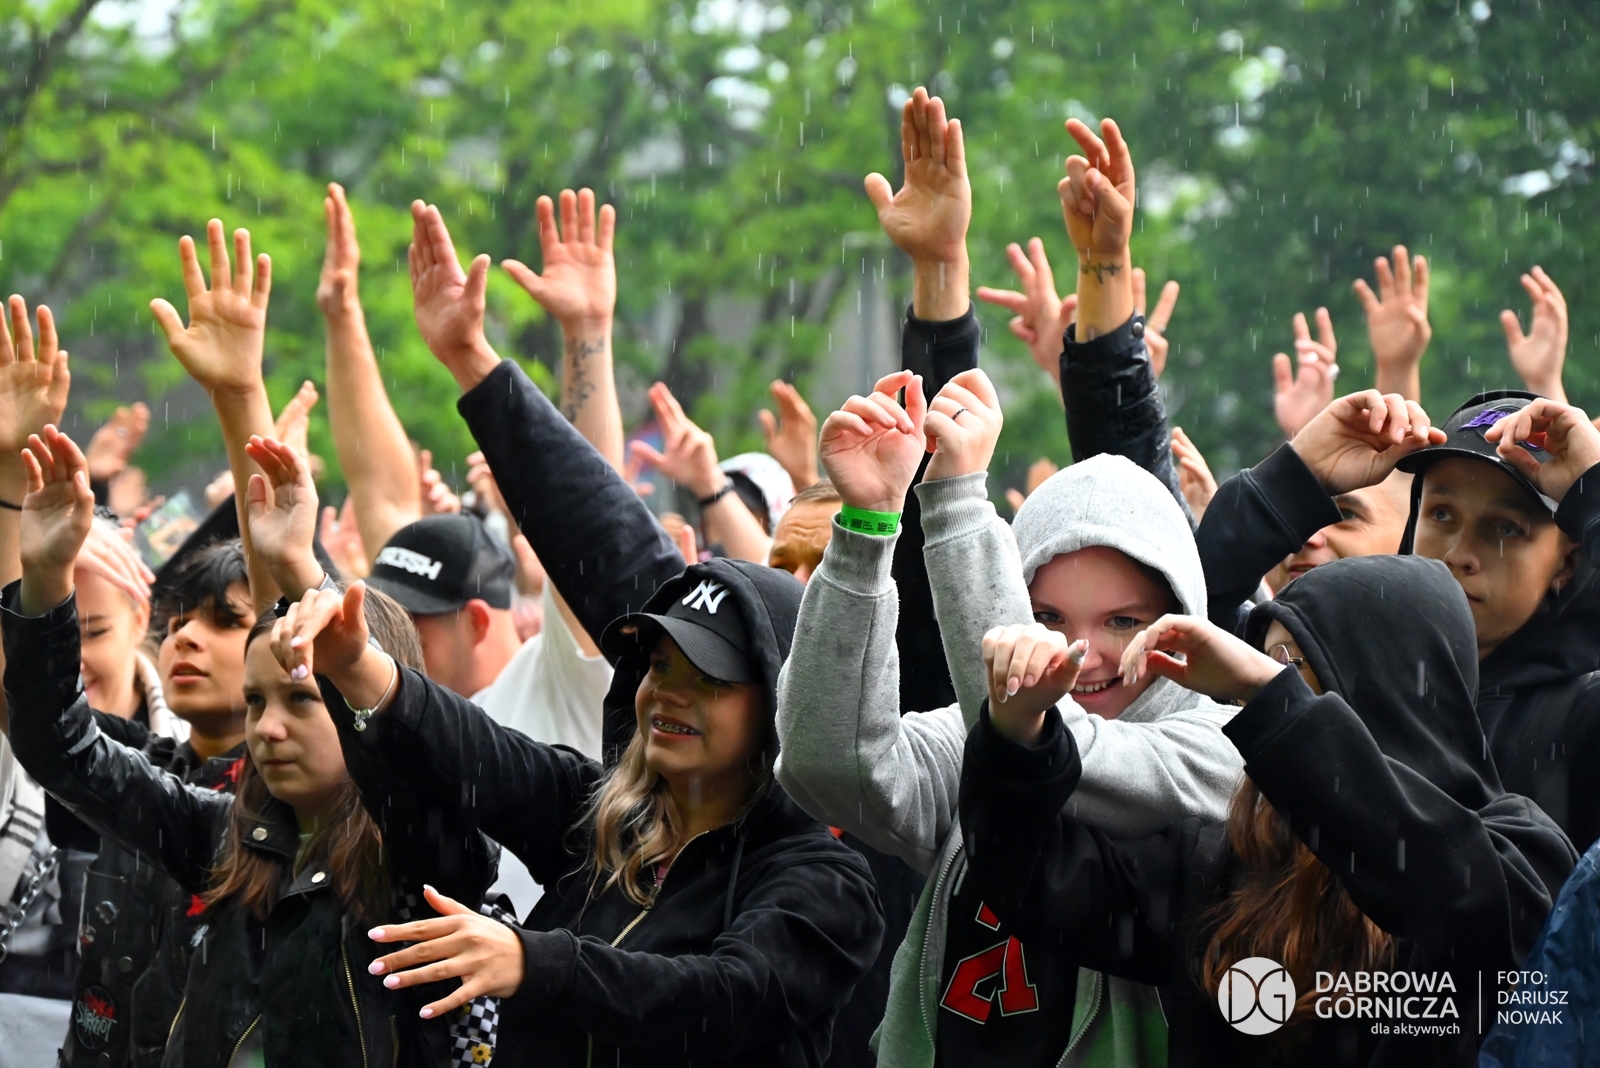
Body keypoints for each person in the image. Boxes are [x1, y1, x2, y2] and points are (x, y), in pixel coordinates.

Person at [779, 112, 1243, 1065]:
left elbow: (1052, 757)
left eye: (1125, 620)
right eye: (1047, 616)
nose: (1082, 652)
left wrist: (956, 502)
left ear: (1183, 623)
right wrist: (866, 530)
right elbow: (831, 768)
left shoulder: (1224, 753)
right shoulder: (977, 737)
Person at [265, 542, 885, 1066]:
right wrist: (355, 663)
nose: (669, 694)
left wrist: (538, 962)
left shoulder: (827, 882)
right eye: (660, 667)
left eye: (709, 678)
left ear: (780, 705)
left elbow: (722, 999)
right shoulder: (602, 814)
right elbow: (477, 750)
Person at [960, 554, 1576, 1067]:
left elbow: (1445, 893)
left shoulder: (1522, 852)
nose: (1263, 693)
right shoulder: (1229, 859)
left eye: (1292, 670)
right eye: (1264, 667)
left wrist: (1269, 698)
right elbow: (1033, 881)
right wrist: (1017, 728)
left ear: (1392, 684)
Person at [5, 424, 475, 1067]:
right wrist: (44, 577)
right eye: (256, 701)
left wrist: (295, 562)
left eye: (301, 700)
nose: (267, 729)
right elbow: (57, 745)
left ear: (372, 699)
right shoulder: (222, 834)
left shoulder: (425, 856)